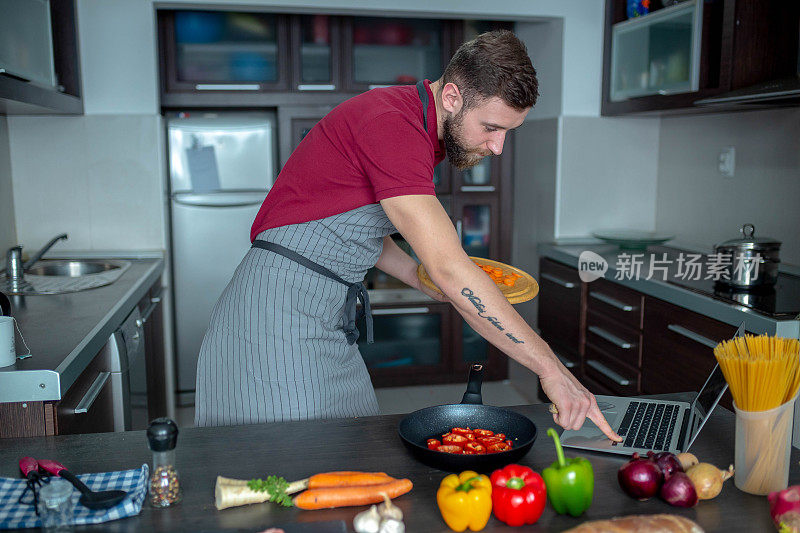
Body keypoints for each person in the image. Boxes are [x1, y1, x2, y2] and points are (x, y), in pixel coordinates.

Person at [194, 29, 621, 442]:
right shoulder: (392, 124)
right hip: (276, 314)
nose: (498, 147)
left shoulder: (416, 126)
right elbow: (451, 268)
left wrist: (419, 277)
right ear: (452, 96)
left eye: (508, 131)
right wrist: (551, 370)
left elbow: (356, 229)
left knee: (353, 447)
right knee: (292, 469)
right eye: (492, 127)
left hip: (322, 315)